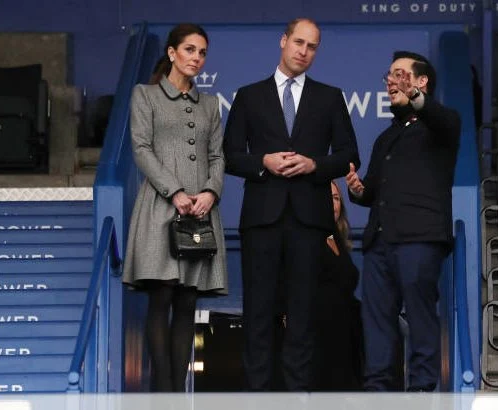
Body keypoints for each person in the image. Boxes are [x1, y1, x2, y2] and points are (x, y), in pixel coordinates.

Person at [223, 18, 360, 391]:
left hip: (309, 220)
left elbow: (350, 155)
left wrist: (316, 165)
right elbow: (230, 156)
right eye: (298, 42)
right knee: (258, 315)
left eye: (312, 46)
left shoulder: (330, 97)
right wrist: (262, 163)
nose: (304, 51)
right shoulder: (249, 96)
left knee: (302, 316)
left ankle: (298, 398)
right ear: (283, 41)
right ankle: (258, 398)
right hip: (262, 219)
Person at [346, 51, 461, 392]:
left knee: (420, 316)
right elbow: (372, 194)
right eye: (390, 76)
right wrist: (358, 190)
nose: (391, 82)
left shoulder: (441, 124)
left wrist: (413, 95)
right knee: (377, 322)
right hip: (379, 242)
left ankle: (422, 391)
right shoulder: (386, 137)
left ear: (421, 82)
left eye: (401, 75)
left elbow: (442, 120)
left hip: (419, 239)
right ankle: (379, 393)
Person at [122, 23, 228, 392]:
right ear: (172, 53)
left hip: (200, 211)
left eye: (202, 52)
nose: (196, 58)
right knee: (162, 295)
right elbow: (140, 149)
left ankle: (176, 396)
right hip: (160, 208)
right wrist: (176, 191)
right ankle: (161, 394)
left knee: (187, 300)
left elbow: (217, 156)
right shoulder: (145, 95)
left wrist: (211, 192)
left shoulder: (211, 104)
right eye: (189, 50)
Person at [311, 180, 363, 391]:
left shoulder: (335, 239)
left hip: (342, 336)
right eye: (327, 197)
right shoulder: (310, 238)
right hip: (321, 338)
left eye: (335, 198)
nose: (333, 203)